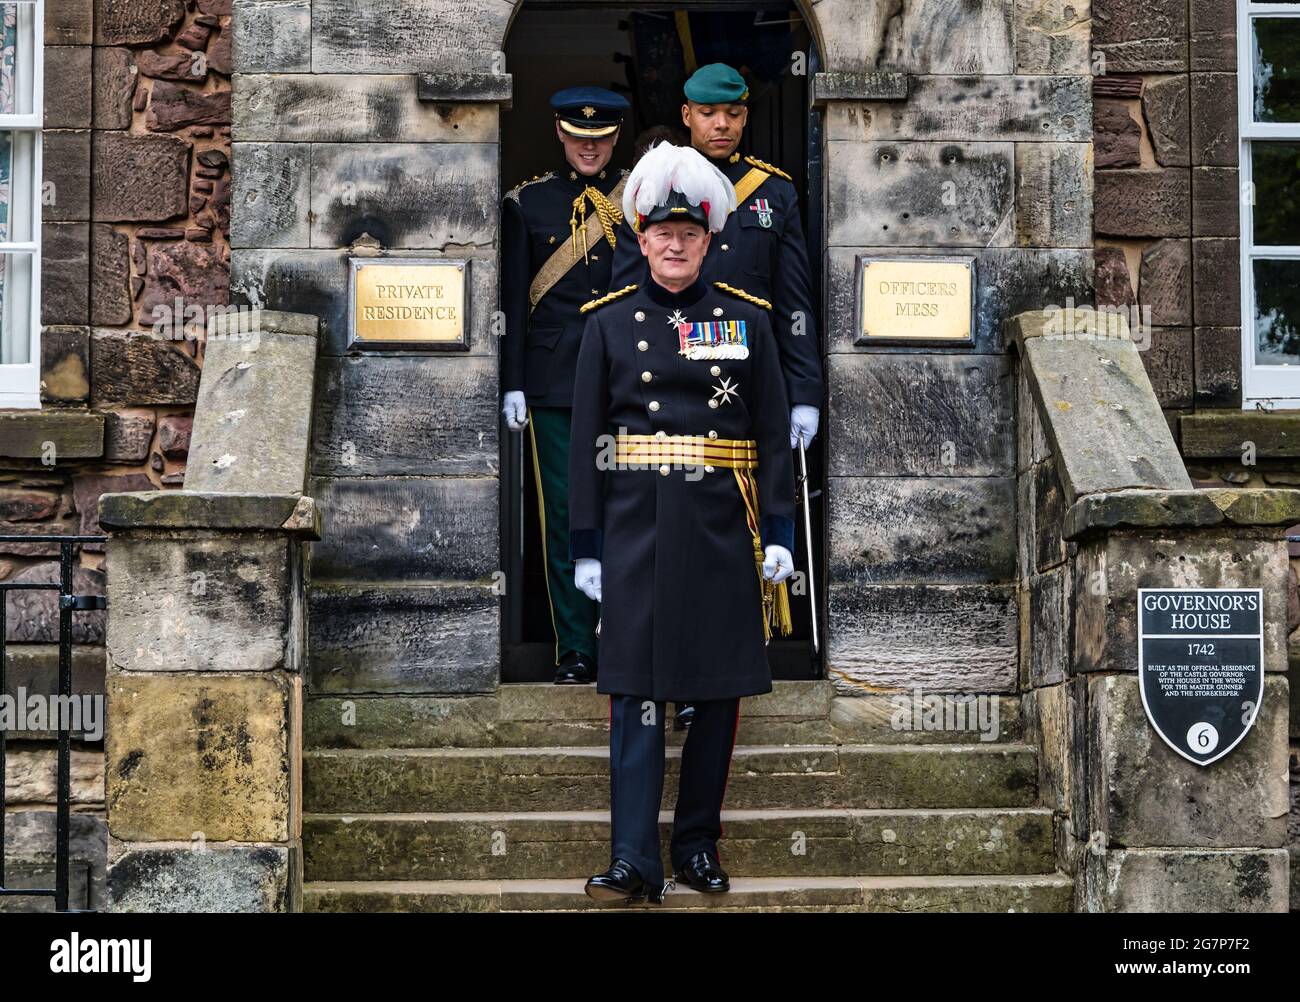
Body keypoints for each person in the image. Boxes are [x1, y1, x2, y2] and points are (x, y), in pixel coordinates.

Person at [568, 142, 797, 904]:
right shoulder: (605, 325)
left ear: (709, 241)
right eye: (661, 234)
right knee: (633, 693)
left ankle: (696, 844)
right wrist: (586, 545)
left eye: (689, 235)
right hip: (635, 527)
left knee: (717, 692)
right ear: (641, 240)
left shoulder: (747, 321)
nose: (674, 244)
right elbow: (585, 444)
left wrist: (784, 536)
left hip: (718, 526)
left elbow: (769, 439)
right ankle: (634, 858)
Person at [500, 86, 630, 685]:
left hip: (629, 376)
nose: (589, 149)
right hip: (553, 382)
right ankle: (575, 647)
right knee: (563, 514)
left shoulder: (640, 198)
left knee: (630, 510)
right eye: (579, 139)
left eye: (600, 139)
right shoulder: (529, 204)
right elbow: (510, 298)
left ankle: (628, 639)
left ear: (615, 139)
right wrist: (514, 382)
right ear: (559, 134)